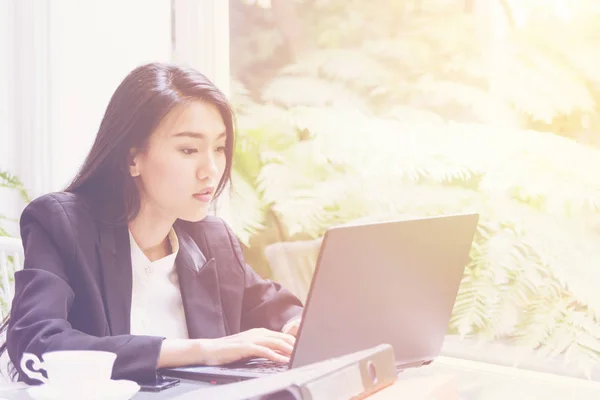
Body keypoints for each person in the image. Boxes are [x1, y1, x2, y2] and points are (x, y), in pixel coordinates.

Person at [0, 62, 303, 385]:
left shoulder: (212, 241)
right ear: (132, 159)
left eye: (218, 147)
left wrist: (295, 326)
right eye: (189, 149)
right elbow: (38, 344)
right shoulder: (62, 224)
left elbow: (278, 308)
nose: (211, 170)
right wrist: (202, 351)